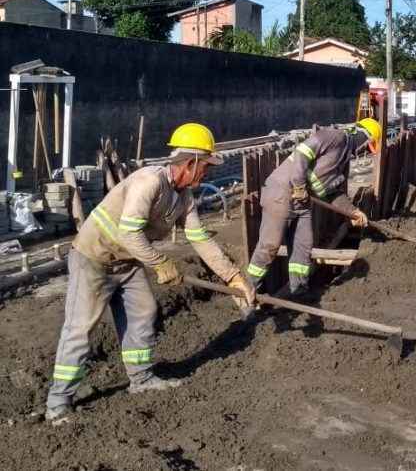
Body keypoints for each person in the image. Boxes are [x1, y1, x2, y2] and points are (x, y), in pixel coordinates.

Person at [46, 123, 255, 421]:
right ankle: (58, 404)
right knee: (80, 329)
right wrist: (160, 263)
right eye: (205, 167)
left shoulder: (184, 197)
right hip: (94, 258)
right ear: (191, 162)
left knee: (144, 312)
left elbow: (200, 239)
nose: (206, 173)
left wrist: (233, 277)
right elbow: (130, 234)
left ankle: (141, 379)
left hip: (127, 262)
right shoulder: (148, 182)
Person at [246, 118, 382, 297]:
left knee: (303, 245)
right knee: (269, 245)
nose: (364, 150)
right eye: (368, 145)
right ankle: (246, 292)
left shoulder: (342, 158)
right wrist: (299, 186)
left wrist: (353, 211)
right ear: (365, 137)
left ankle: (298, 292)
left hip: (302, 201)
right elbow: (302, 153)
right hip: (282, 192)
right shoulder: (335, 137)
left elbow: (331, 192)